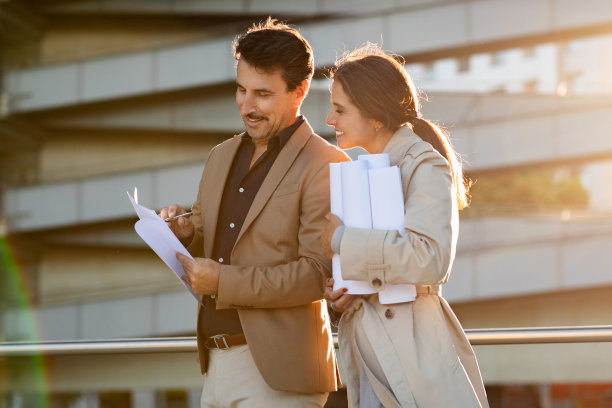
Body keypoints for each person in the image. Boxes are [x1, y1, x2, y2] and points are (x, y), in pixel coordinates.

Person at [160, 19, 348, 407]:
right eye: (241, 90)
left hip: (281, 374)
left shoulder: (327, 163)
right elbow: (210, 231)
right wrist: (183, 231)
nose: (247, 105)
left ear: (299, 92)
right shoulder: (221, 156)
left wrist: (223, 282)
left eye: (262, 93)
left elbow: (317, 275)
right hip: (214, 362)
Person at [321, 45, 489, 408]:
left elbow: (430, 259)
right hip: (374, 359)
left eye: (340, 110)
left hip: (414, 356)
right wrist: (346, 295)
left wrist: (340, 239)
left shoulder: (426, 166)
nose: (330, 120)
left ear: (375, 116)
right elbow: (381, 268)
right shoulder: (365, 173)